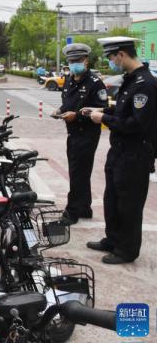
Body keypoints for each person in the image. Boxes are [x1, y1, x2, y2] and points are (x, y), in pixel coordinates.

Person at [84, 36, 157, 264]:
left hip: (135, 155)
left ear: (122, 55)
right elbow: (123, 111)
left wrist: (103, 118)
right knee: (113, 199)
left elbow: (135, 124)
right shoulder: (131, 80)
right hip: (119, 152)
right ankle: (113, 239)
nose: (110, 62)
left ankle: (127, 250)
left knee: (129, 204)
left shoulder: (145, 84)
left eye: (111, 57)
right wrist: (99, 110)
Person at [52, 43, 108, 225]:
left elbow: (102, 110)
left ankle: (72, 211)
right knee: (80, 172)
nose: (75, 64)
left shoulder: (94, 83)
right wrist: (59, 110)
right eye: (71, 61)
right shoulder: (69, 79)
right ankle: (85, 207)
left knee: (78, 172)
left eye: (78, 60)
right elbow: (67, 102)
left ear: (86, 61)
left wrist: (76, 116)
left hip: (87, 133)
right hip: (73, 133)